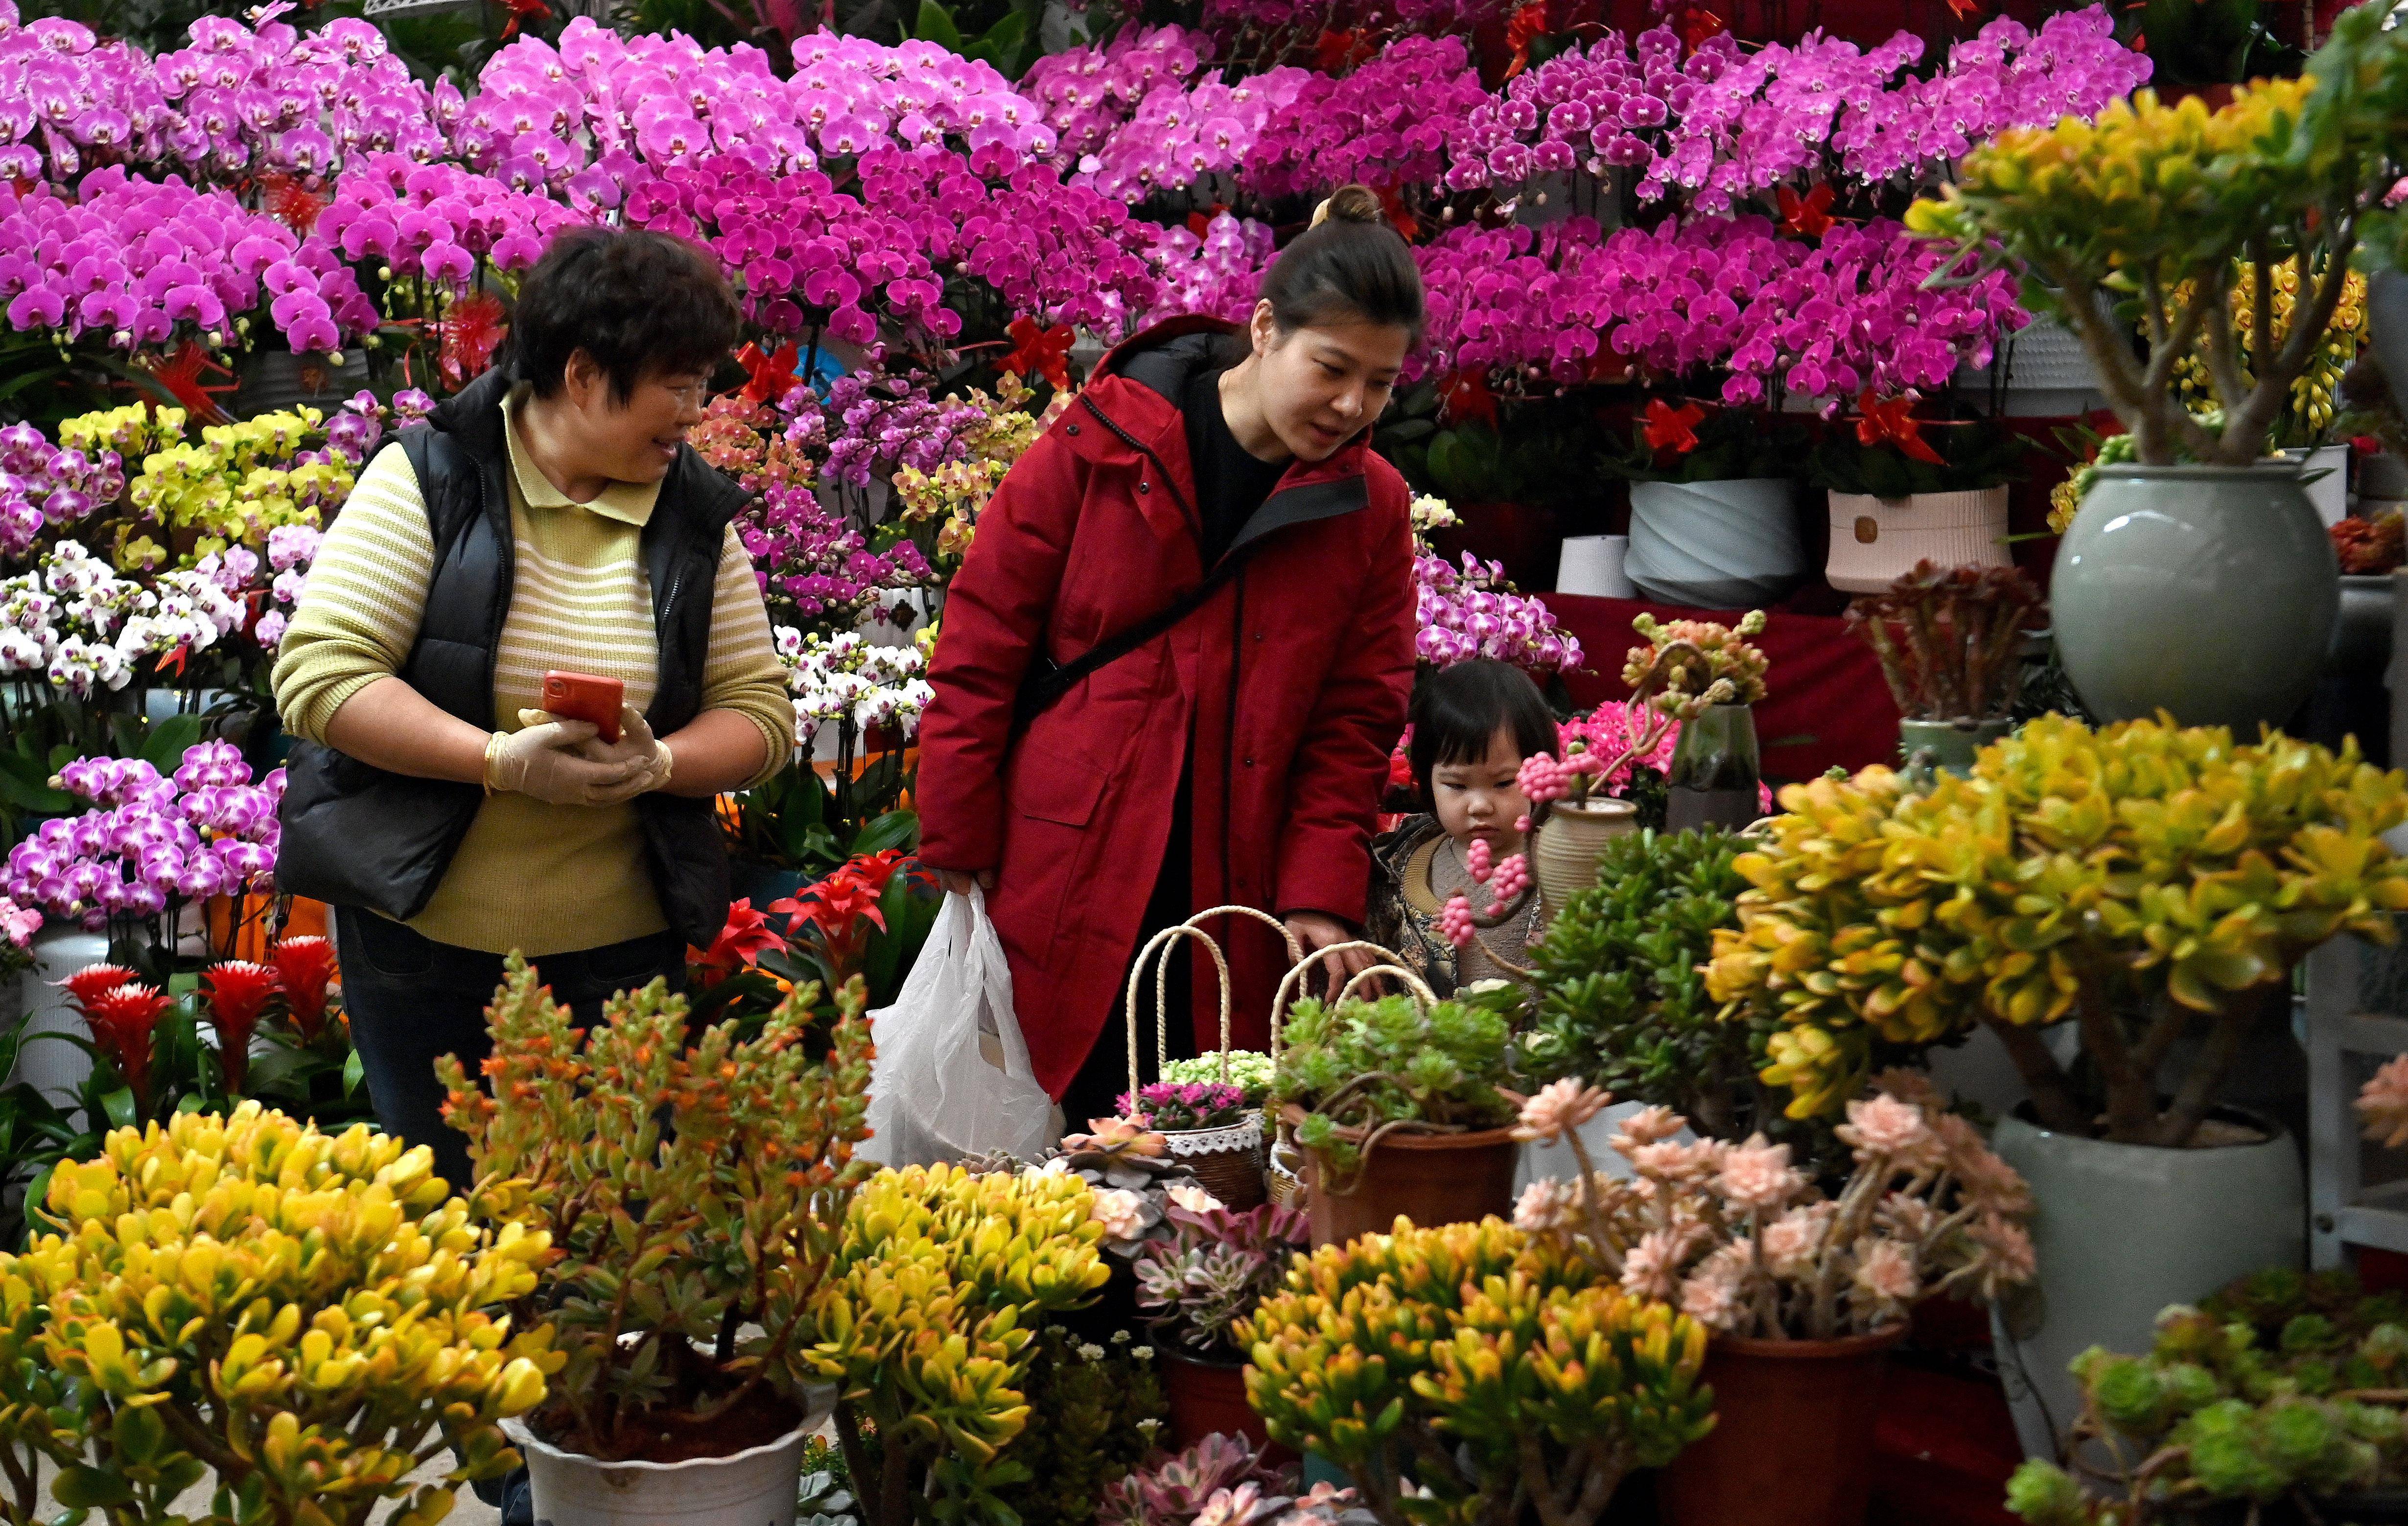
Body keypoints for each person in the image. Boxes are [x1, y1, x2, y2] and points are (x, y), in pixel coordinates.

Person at [272, 227, 796, 1192]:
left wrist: (661, 763)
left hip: (621, 956)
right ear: (585, 374)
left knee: (610, 1230)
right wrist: (496, 760)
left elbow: (760, 714)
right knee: (458, 1226)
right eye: (675, 385)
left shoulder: (688, 516)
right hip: (426, 948)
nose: (697, 409)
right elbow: (323, 677)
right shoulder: (429, 477)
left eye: (701, 383)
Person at [917, 184, 1425, 1132]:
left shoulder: (1372, 505)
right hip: (1069, 848)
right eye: (1331, 368)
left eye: (1381, 382)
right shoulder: (1102, 439)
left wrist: (1320, 884)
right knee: (1060, 1130)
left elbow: (1357, 713)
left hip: (1238, 872)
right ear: (1264, 327)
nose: (1352, 404)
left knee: (1217, 1135)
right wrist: (955, 829)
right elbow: (982, 638)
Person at [1365, 660, 1555, 997]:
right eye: (1456, 785)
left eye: (1503, 782)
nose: (1480, 805)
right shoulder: (1396, 866)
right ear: (1426, 783)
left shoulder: (1566, 867)